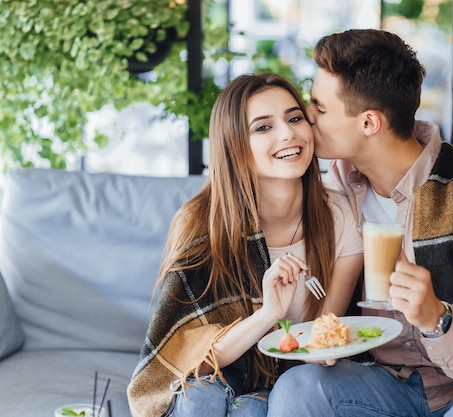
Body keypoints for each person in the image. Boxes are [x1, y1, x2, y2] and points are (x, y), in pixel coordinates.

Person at [267, 29, 453, 417]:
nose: (307, 116)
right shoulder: (334, 193)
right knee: (298, 389)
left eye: (320, 108)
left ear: (369, 122)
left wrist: (436, 320)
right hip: (378, 381)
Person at [127, 73, 364, 417]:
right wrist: (268, 313)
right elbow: (194, 360)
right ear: (234, 145)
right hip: (225, 372)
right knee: (198, 400)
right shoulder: (199, 223)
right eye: (263, 127)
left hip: (299, 378)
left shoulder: (339, 215)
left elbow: (324, 333)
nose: (288, 133)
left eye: (295, 118)